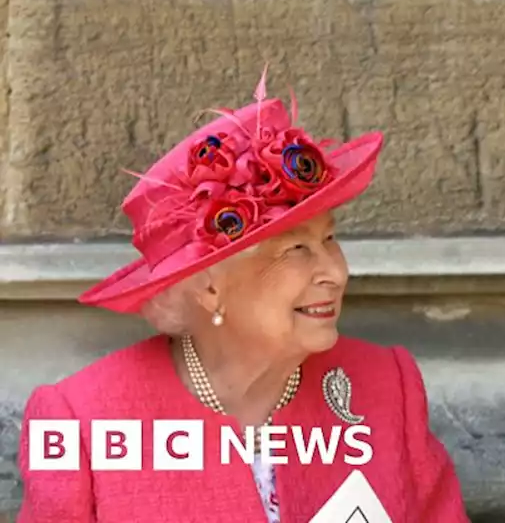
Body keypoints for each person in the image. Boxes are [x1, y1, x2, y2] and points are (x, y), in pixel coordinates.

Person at [16, 70, 470, 522]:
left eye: (329, 240)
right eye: (296, 249)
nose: (334, 272)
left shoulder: (386, 386)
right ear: (210, 286)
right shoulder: (81, 423)